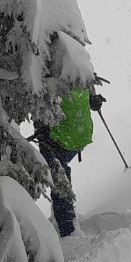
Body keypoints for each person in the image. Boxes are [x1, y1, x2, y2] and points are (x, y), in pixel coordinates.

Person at [35, 86, 106, 238]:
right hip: (79, 136)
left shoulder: (45, 76)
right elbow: (91, 100)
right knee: (60, 171)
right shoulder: (76, 71)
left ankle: (68, 230)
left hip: (58, 139)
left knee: (59, 178)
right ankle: (62, 218)